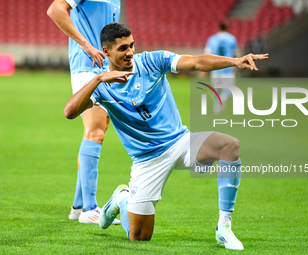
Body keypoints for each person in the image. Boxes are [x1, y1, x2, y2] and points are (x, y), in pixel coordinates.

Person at [63, 22, 268, 250]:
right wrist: (97, 80)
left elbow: (197, 61)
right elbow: (69, 112)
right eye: (122, 48)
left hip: (180, 142)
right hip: (147, 161)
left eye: (131, 45)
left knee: (230, 146)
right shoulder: (102, 85)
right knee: (139, 236)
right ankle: (122, 198)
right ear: (106, 51)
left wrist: (234, 61)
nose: (130, 52)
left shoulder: (151, 61)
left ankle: (224, 228)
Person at [47, 0, 121, 224]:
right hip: (87, 67)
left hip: (103, 67)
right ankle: (90, 209)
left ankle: (78, 206)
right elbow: (55, 10)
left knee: (100, 130)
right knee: (95, 131)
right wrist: (86, 45)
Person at [204, 22, 238, 114]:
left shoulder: (212, 39)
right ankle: (222, 99)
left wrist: (204, 68)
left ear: (218, 28)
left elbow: (207, 54)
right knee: (231, 89)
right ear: (227, 28)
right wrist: (235, 67)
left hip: (215, 68)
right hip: (228, 68)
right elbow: (234, 54)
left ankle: (216, 108)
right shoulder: (232, 39)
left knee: (216, 89)